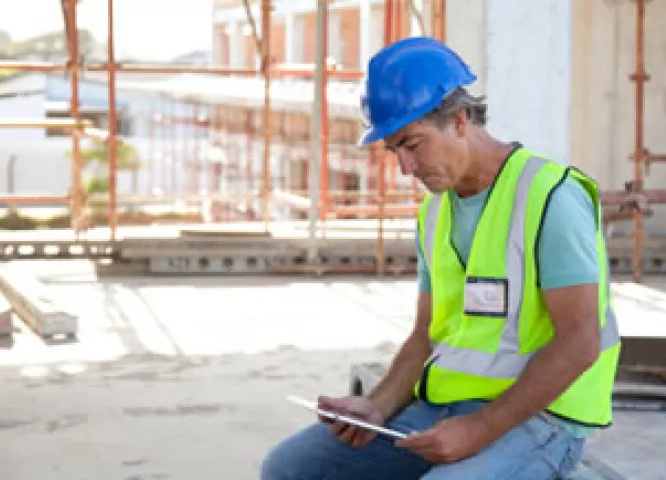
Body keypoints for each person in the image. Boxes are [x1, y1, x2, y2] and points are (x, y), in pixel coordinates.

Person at [261, 36, 621, 480]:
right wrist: (376, 405)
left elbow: (579, 342)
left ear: (460, 120)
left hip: (540, 420)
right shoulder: (435, 211)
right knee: (290, 468)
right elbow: (424, 337)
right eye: (395, 151)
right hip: (445, 408)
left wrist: (480, 428)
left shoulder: (551, 198)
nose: (406, 169)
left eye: (413, 145)